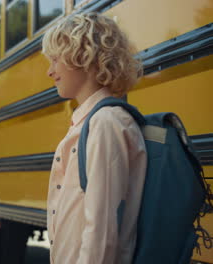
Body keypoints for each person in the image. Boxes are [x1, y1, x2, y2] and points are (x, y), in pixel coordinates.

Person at [42, 12, 147, 264]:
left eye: (56, 59)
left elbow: (101, 235)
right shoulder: (92, 122)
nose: (50, 71)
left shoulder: (106, 124)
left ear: (85, 56)